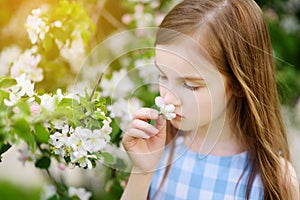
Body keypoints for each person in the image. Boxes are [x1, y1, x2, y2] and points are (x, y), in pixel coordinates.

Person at [121, 0, 300, 199]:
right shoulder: (159, 151)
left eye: (190, 85)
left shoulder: (274, 179)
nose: (168, 98)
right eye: (163, 75)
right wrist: (142, 171)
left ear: (238, 84)